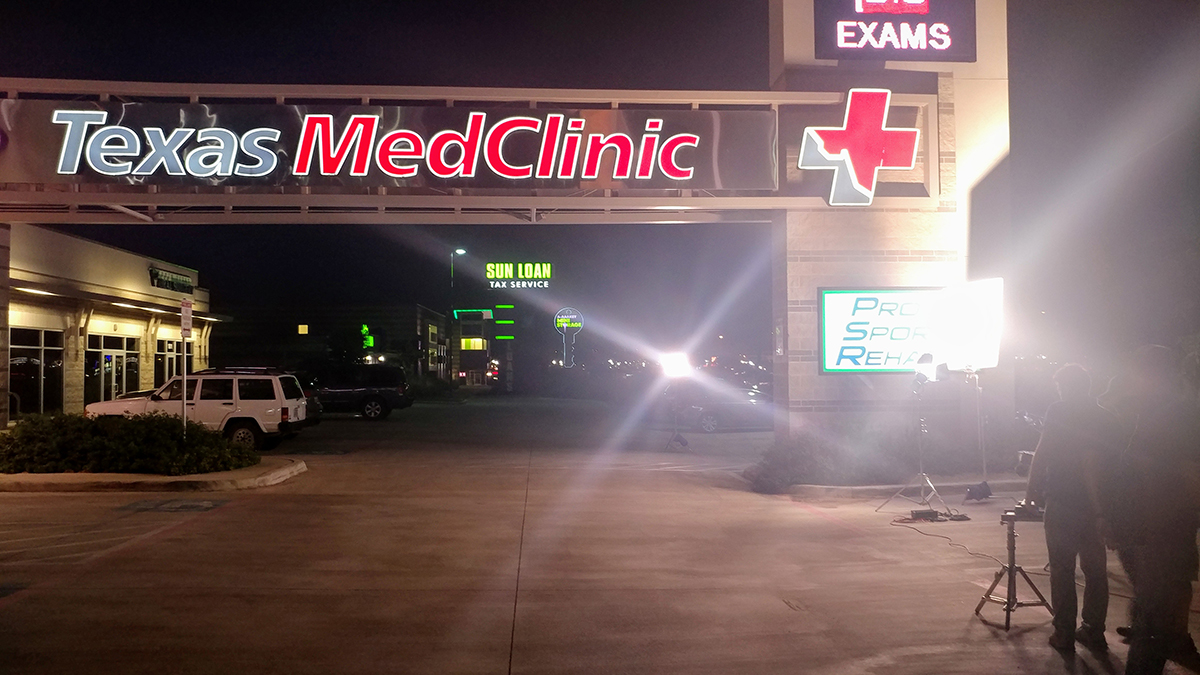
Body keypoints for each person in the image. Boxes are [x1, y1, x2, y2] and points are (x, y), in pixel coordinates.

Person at [1104, 345, 1200, 675]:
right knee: (1154, 615)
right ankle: (1172, 643)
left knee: (1154, 614)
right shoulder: (1163, 413)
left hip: (1153, 532)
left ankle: (1172, 644)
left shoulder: (1166, 415)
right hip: (1155, 532)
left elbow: (1182, 475)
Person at [1026, 363, 1123, 652]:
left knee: (1062, 569)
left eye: (1060, 387)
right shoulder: (1106, 417)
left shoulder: (1059, 410)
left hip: (1062, 499)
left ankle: (1064, 632)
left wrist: (1031, 488)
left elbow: (1043, 449)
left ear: (1065, 387)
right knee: (1095, 571)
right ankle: (1093, 630)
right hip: (1095, 506)